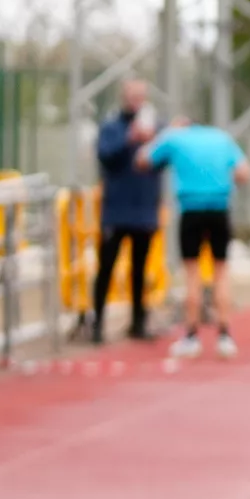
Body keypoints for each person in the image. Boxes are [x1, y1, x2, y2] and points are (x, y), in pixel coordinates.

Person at [139, 113, 250, 359]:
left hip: (191, 210)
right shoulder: (222, 139)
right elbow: (244, 173)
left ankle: (191, 336)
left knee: (192, 273)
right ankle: (224, 335)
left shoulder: (175, 138)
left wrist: (165, 134)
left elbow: (143, 159)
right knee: (221, 271)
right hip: (219, 209)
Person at [89, 79, 162, 342]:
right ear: (123, 97)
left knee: (140, 270)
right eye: (132, 95)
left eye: (140, 96)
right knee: (106, 267)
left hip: (144, 211)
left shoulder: (156, 129)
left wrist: (158, 140)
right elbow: (104, 155)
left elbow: (164, 158)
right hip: (115, 212)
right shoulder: (111, 127)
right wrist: (129, 138)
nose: (136, 101)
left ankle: (138, 322)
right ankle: (96, 323)